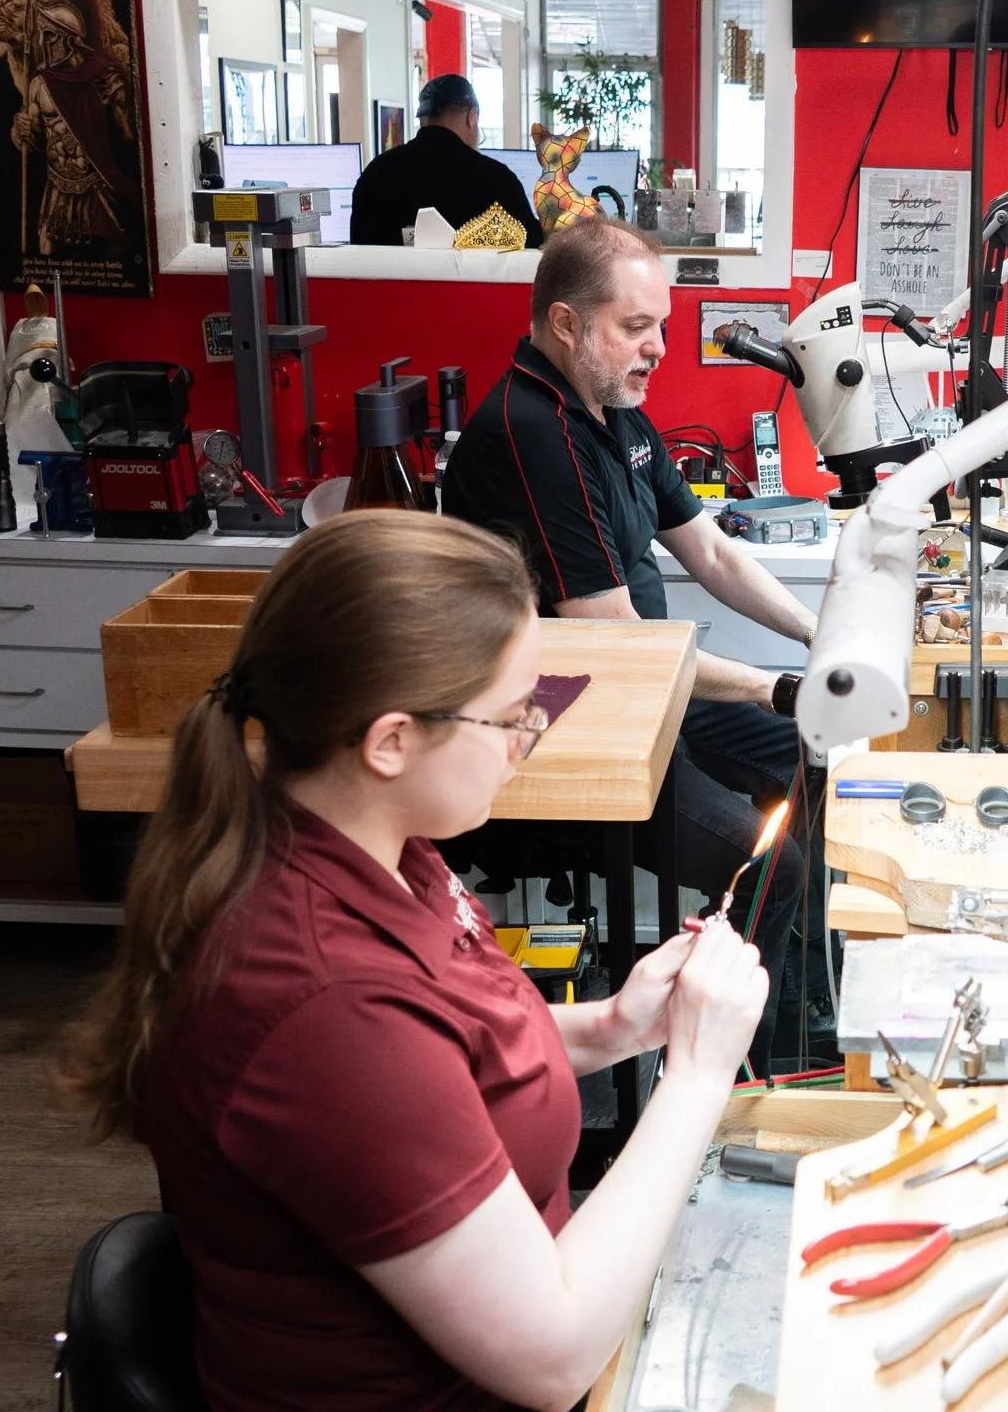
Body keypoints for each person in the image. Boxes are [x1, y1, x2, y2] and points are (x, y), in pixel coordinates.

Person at [59, 510, 767, 1412]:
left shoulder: (382, 848)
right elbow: (551, 1361)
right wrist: (699, 1074)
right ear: (389, 741)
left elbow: (448, 1046)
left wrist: (610, 1027)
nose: (528, 739)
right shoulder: (325, 1006)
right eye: (512, 716)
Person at [441, 217, 823, 1067]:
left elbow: (713, 552)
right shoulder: (533, 432)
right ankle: (740, 1066)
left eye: (662, 327)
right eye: (636, 327)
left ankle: (791, 1003)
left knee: (808, 752)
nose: (658, 349)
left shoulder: (618, 414)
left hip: (651, 697)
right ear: (566, 323)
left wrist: (816, 635)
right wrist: (775, 685)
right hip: (574, 729)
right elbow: (612, 641)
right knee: (779, 866)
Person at [349, 75, 544, 248]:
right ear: (472, 117)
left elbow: (358, 251)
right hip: (474, 280)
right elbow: (533, 246)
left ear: (423, 118)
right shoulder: (495, 179)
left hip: (389, 280)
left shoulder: (375, 174)